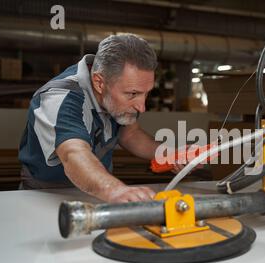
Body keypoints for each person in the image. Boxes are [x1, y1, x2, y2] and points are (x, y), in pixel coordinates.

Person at [19, 34, 185, 203]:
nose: (142, 107)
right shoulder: (60, 97)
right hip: (46, 195)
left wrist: (171, 154)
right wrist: (114, 190)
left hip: (98, 190)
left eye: (146, 93)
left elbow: (130, 135)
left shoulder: (118, 90)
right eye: (133, 94)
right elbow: (73, 153)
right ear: (99, 82)